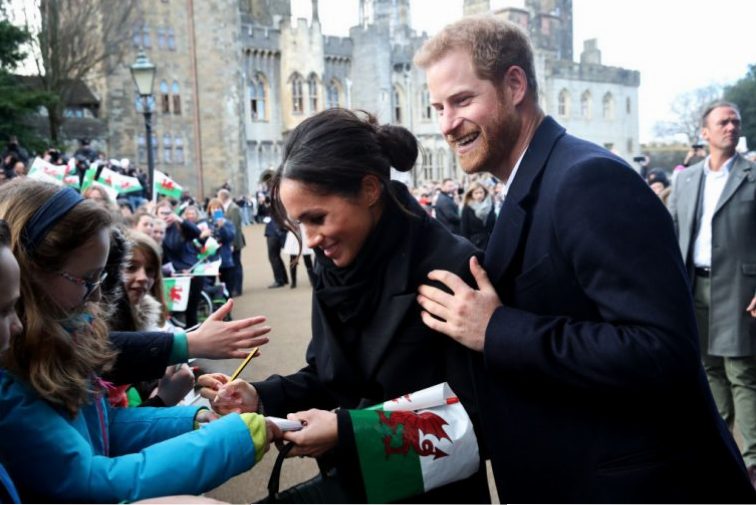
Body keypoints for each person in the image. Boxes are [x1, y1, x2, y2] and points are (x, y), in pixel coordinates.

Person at [412, 15, 755, 502]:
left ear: (514, 85)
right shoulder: (532, 180)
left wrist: (497, 329)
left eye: (462, 100)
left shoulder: (587, 180)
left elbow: (662, 351)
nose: (447, 124)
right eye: (437, 107)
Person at [199, 108, 490, 503]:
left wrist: (346, 430)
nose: (310, 239)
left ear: (370, 190)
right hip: (354, 481)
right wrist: (261, 396)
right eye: (299, 223)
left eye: (317, 218)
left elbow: (476, 421)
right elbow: (330, 375)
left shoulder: (451, 266)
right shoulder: (333, 264)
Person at [0, 179, 281, 502]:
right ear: (29, 272)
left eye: (101, 278)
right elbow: (89, 484)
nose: (97, 293)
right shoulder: (10, 384)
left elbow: (105, 428)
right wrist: (232, 439)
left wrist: (195, 420)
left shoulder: (57, 343)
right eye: (86, 279)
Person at [668, 101, 756, 488]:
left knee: (742, 372)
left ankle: (752, 463)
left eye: (735, 121)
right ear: (704, 132)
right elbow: (670, 235)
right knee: (707, 369)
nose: (731, 127)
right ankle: (719, 450)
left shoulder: (753, 175)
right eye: (723, 122)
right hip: (693, 285)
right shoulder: (686, 180)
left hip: (740, 287)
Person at [217, 189, 245, 297]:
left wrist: (232, 243)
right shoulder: (228, 208)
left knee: (237, 265)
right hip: (232, 242)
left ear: (223, 197)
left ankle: (238, 288)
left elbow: (235, 227)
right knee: (235, 265)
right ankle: (234, 287)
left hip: (234, 242)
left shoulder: (233, 208)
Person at [460, 181, 496, 249]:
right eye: (476, 193)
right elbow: (464, 229)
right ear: (471, 194)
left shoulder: (491, 205)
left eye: (481, 192)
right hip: (475, 244)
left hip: (490, 243)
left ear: (484, 193)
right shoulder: (467, 208)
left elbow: (494, 225)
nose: (479, 195)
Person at [282, 223, 315, 288]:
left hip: (304, 232)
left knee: (307, 259)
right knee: (293, 258)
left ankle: (312, 280)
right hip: (294, 234)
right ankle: (293, 281)